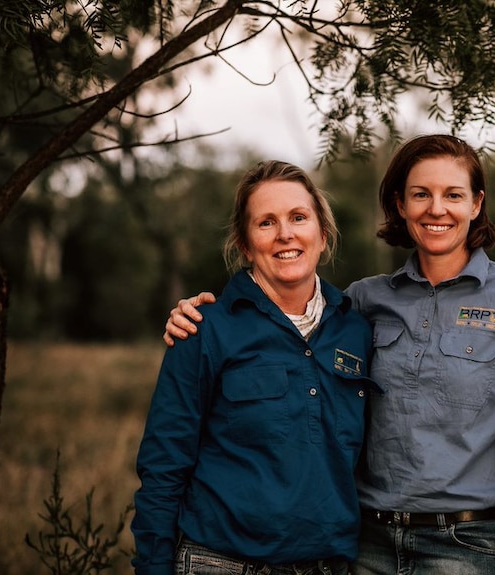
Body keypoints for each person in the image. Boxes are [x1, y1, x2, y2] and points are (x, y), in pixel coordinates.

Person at [164, 135, 495, 575]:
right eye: (420, 194)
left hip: (467, 545)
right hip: (366, 546)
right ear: (400, 205)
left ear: (476, 204)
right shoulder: (362, 303)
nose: (436, 209)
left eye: (453, 195)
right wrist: (196, 314)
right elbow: (285, 330)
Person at [132, 160, 373, 575]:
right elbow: (163, 464)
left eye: (299, 217)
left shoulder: (357, 330)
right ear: (245, 244)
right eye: (266, 222)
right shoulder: (204, 329)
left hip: (326, 565)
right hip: (218, 561)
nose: (285, 234)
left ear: (323, 233)